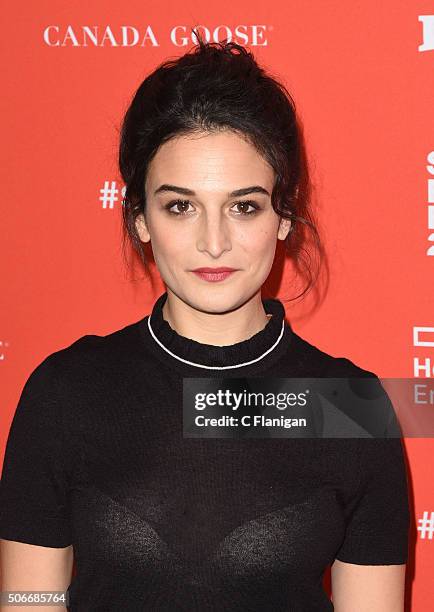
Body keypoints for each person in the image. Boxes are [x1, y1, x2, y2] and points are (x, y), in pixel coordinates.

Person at [0, 30, 409, 611]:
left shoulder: (351, 407)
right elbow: (26, 601)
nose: (213, 242)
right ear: (140, 219)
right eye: (180, 206)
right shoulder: (65, 393)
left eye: (244, 206)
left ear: (284, 217)